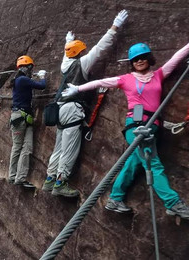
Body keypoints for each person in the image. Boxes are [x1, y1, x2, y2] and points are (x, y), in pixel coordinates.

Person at [62, 42, 189, 218]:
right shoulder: (126, 79)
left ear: (149, 59)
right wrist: (78, 88)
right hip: (137, 128)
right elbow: (101, 82)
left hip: (152, 127)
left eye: (143, 57)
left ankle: (115, 198)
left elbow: (176, 58)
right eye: (136, 59)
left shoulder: (158, 75)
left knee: (134, 163)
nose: (140, 61)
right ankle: (173, 202)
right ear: (131, 62)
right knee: (153, 165)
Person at [42, 10, 129, 197]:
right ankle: (60, 182)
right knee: (70, 147)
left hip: (59, 109)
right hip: (72, 109)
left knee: (58, 146)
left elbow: (67, 56)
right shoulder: (82, 63)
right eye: (82, 50)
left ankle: (49, 179)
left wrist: (67, 42)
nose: (85, 52)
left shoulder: (65, 66)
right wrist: (115, 26)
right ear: (80, 52)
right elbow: (100, 47)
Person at [8, 55, 46, 188]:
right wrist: (42, 77)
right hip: (20, 116)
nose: (31, 70)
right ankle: (13, 176)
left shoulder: (19, 79)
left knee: (26, 148)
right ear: (26, 67)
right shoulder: (22, 79)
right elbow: (42, 86)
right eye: (30, 68)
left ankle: (19, 177)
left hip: (24, 117)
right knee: (18, 147)